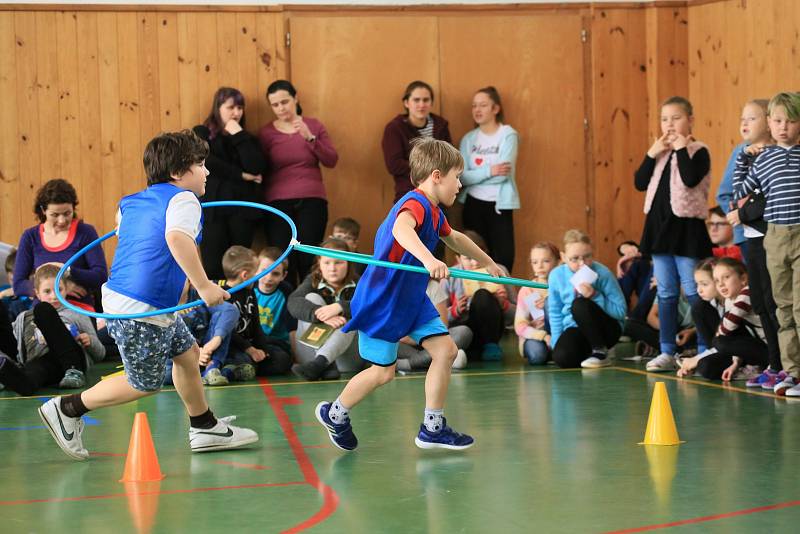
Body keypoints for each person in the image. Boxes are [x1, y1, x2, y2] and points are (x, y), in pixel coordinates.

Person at [37, 130, 258, 461]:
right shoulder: (184, 199)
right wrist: (205, 287)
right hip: (142, 306)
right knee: (144, 383)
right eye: (200, 164)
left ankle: (204, 425)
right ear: (177, 172)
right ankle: (67, 408)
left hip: (133, 299)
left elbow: (140, 244)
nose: (207, 171)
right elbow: (177, 239)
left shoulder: (129, 203)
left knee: (187, 353)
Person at [314, 137, 502, 452]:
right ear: (437, 176)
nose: (460, 184)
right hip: (383, 300)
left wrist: (488, 262)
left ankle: (433, 426)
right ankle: (335, 414)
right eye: (457, 177)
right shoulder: (414, 203)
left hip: (412, 299)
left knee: (446, 351)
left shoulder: (435, 212)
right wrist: (430, 260)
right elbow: (402, 230)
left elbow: (454, 238)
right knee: (382, 373)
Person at [635, 96, 713, 372]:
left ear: (690, 120)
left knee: (695, 292)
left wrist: (681, 147)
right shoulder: (660, 154)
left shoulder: (698, 150)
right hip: (659, 230)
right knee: (666, 293)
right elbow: (639, 182)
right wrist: (651, 153)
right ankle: (666, 350)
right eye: (665, 119)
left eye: (676, 118)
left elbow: (691, 178)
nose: (669, 124)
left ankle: (705, 348)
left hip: (687, 231)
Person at [738, 91, 800, 396]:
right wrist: (744, 157)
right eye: (777, 121)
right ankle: (793, 373)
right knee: (783, 308)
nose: (783, 127)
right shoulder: (765, 158)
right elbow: (742, 189)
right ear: (770, 124)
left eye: (790, 121)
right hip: (774, 238)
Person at [259, 80, 339, 285]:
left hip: (312, 200)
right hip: (277, 203)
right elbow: (258, 166)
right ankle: (285, 311)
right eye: (275, 105)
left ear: (296, 99)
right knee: (283, 260)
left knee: (309, 257)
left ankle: (309, 307)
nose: (281, 108)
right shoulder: (267, 133)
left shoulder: (313, 125)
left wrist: (310, 138)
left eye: (285, 102)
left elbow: (331, 160)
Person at [728, 99, 782, 389]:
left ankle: (786, 363)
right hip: (750, 238)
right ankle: (774, 363)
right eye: (742, 118)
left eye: (752, 118)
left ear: (770, 122)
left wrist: (742, 213)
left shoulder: (778, 155)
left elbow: (770, 197)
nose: (745, 123)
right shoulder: (747, 155)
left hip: (770, 236)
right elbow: (738, 191)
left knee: (775, 303)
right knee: (761, 304)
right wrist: (744, 160)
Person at [193, 87, 268, 280]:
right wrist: (241, 175)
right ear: (218, 108)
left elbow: (257, 165)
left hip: (242, 209)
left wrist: (239, 135)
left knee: (241, 266)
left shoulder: (247, 138)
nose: (236, 113)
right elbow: (206, 159)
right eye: (231, 107)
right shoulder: (203, 134)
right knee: (212, 265)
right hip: (213, 210)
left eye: (240, 108)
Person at [0, 264, 105, 396]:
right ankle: (5, 371)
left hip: (71, 361)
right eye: (47, 291)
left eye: (58, 289)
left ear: (66, 290)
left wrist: (89, 341)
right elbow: (12, 345)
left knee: (43, 309)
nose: (54, 296)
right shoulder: (24, 318)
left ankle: (73, 370)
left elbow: (100, 353)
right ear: (37, 293)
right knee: (27, 380)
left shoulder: (77, 314)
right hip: (43, 363)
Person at [13, 179, 108, 311]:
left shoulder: (86, 232)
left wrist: (68, 270)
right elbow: (18, 285)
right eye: (55, 215)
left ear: (73, 208)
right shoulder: (30, 237)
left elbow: (101, 276)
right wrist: (58, 288)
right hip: (45, 311)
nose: (62, 220)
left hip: (79, 310)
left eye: (67, 213)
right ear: (43, 210)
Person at [458, 86, 520, 272]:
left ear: (496, 109)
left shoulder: (508, 135)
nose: (477, 110)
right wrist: (490, 171)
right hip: (473, 205)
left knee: (504, 258)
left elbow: (503, 175)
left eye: (483, 105)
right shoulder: (469, 139)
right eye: (474, 105)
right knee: (474, 259)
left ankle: (502, 299)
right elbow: (462, 177)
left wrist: (479, 174)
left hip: (499, 206)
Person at [677, 258, 767, 381]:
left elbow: (725, 334)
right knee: (705, 367)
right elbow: (732, 338)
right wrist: (735, 363)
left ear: (743, 278)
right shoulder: (730, 300)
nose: (721, 284)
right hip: (751, 349)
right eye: (717, 280)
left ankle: (763, 367)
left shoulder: (746, 294)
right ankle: (747, 366)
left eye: (726, 277)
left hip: (772, 350)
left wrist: (697, 358)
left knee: (720, 341)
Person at [548, 229, 627, 369]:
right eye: (574, 258)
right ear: (563, 257)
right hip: (575, 328)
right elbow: (555, 311)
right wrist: (556, 341)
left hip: (607, 329)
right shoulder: (556, 276)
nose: (582, 263)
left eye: (587, 257)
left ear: (593, 254)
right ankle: (589, 353)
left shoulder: (602, 273)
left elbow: (620, 312)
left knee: (579, 305)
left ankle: (600, 351)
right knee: (562, 358)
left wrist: (595, 296)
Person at [289, 238, 361, 381]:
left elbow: (372, 307)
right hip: (311, 357)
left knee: (352, 316)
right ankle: (323, 363)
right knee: (311, 298)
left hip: (346, 361)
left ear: (348, 263)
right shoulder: (313, 280)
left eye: (338, 262)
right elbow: (293, 302)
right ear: (319, 264)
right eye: (326, 263)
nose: (332, 268)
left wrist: (340, 306)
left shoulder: (359, 282)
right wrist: (320, 314)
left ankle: (323, 362)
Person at [216, 245, 293, 377]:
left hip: (251, 344)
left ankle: (245, 368)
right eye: (258, 271)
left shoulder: (250, 292)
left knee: (282, 360)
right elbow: (228, 332)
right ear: (246, 275)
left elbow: (256, 325)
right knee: (242, 359)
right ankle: (231, 369)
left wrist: (263, 349)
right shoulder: (224, 295)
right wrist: (250, 350)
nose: (264, 276)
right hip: (234, 346)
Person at [441, 230, 516, 361]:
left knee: (482, 295)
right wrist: (455, 311)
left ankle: (490, 346)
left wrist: (504, 304)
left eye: (478, 256)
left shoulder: (499, 271)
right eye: (468, 258)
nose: (475, 263)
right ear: (458, 259)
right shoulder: (449, 276)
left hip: (493, 331)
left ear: (486, 254)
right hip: (464, 329)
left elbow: (518, 315)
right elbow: (438, 318)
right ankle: (469, 350)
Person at [382, 81, 453, 202]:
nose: (421, 104)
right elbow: (394, 165)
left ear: (431, 103)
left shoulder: (441, 125)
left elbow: (449, 158)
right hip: (409, 194)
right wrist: (430, 167)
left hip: (440, 194)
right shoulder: (395, 128)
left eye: (426, 100)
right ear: (406, 103)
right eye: (416, 100)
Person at [163, 282, 242, 387]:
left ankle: (213, 367)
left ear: (189, 281)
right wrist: (193, 353)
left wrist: (215, 341)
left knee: (222, 318)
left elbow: (230, 310)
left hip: (209, 352)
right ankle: (222, 372)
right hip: (181, 356)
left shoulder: (198, 296)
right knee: (167, 374)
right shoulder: (161, 304)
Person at [396, 279, 471, 373]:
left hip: (433, 340)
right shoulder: (394, 288)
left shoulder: (432, 286)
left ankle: (405, 364)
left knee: (463, 332)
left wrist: (417, 337)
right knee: (381, 341)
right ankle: (446, 359)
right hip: (405, 344)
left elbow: (443, 327)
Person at [515, 242, 559, 365]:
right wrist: (543, 336)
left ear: (557, 261)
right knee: (537, 356)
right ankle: (551, 351)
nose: (539, 266)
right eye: (535, 262)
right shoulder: (527, 290)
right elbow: (520, 326)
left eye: (545, 261)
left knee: (550, 302)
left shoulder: (562, 286)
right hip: (535, 336)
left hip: (560, 333)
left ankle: (557, 349)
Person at [254, 247, 296, 359]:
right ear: (256, 270)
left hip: (275, 343)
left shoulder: (286, 291)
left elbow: (292, 327)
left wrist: (296, 357)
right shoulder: (249, 288)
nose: (269, 278)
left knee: (282, 360)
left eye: (275, 274)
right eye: (264, 271)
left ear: (284, 276)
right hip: (252, 342)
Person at [1, 249, 33, 322]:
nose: (15, 284)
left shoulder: (32, 293)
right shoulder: (4, 290)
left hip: (24, 324)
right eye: (12, 280)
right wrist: (2, 295)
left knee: (16, 304)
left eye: (19, 280)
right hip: (6, 325)